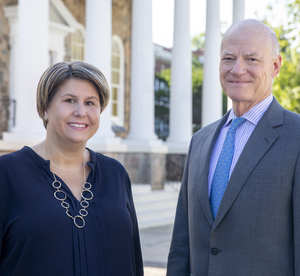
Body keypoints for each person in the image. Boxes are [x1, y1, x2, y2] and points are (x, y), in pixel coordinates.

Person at [167, 19, 300, 276]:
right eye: (228, 58)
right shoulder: (200, 141)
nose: (238, 69)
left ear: (275, 66)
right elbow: (182, 242)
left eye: (251, 59)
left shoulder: (296, 136)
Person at [0, 61, 143, 276]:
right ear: (45, 108)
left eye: (90, 103)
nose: (81, 112)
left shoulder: (115, 174)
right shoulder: (7, 174)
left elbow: (134, 259)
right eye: (70, 100)